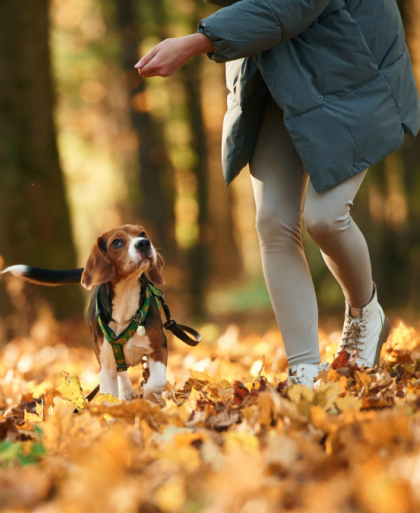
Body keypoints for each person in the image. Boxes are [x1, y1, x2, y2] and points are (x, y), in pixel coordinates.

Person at [135, 0, 420, 387]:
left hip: (352, 76)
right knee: (272, 221)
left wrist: (195, 42)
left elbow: (287, 6)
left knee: (326, 218)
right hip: (275, 72)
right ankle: (304, 367)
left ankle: (365, 312)